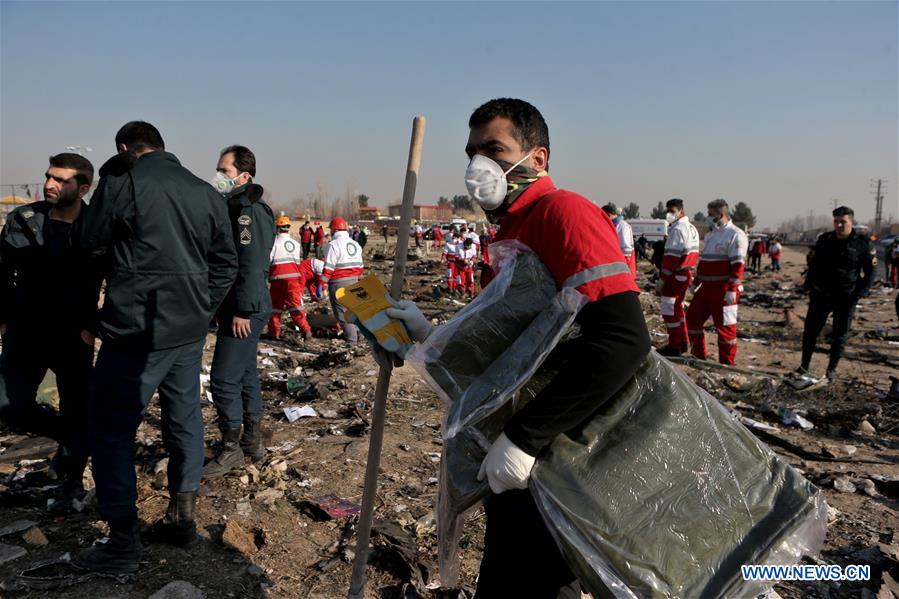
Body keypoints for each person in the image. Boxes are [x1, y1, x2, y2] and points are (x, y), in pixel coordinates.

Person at [385, 98, 649, 599]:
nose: (477, 166)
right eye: (471, 152)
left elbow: (622, 340)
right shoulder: (509, 232)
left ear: (537, 158)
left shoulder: (562, 213)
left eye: (493, 149)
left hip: (559, 444)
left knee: (530, 580)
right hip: (524, 450)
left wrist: (525, 438)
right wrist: (430, 337)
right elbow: (514, 348)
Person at [75, 122, 237, 572]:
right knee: (184, 419)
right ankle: (182, 520)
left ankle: (122, 539)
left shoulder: (121, 181)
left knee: (110, 429)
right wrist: (202, 308)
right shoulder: (204, 191)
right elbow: (226, 262)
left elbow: (88, 244)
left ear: (125, 149)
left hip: (136, 331)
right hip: (186, 330)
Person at [0, 153, 100, 512]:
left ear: (84, 188)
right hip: (24, 333)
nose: (50, 185)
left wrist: (94, 326)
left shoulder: (96, 227)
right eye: (48, 177)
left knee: (76, 404)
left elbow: (119, 280)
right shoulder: (24, 219)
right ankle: (71, 436)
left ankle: (70, 477)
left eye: (61, 179)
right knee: (9, 404)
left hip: (73, 336)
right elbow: (2, 271)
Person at [202, 146, 275, 480]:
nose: (218, 177)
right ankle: (251, 442)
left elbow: (251, 261)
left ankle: (230, 447)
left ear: (244, 176)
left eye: (225, 171)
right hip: (240, 306)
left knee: (223, 379)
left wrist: (243, 310)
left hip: (246, 307)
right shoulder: (234, 207)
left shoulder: (248, 212)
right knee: (245, 374)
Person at [795, 206, 874, 380]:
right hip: (821, 295)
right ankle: (804, 366)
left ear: (851, 222)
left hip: (846, 297)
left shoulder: (862, 243)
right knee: (810, 331)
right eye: (836, 221)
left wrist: (862, 292)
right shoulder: (825, 240)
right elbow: (814, 265)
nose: (839, 225)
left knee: (839, 335)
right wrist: (808, 285)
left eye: (843, 222)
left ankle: (831, 370)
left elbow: (871, 271)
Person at [685, 199, 748, 365]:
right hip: (706, 289)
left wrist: (732, 289)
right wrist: (695, 283)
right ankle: (699, 356)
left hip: (724, 290)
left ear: (721, 214)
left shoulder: (736, 235)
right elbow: (704, 263)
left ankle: (727, 363)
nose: (707, 218)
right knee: (692, 319)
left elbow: (738, 265)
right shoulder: (711, 235)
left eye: (710, 214)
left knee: (726, 329)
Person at [656, 199, 700, 356]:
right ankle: (683, 341)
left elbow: (671, 258)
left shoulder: (678, 230)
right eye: (667, 211)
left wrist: (663, 279)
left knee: (669, 310)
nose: (669, 214)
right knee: (678, 309)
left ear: (681, 211)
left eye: (672, 211)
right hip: (685, 273)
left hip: (675, 275)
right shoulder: (691, 227)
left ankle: (674, 345)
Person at [267, 216, 313, 340]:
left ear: (277, 228)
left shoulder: (273, 243)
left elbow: (269, 261)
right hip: (294, 279)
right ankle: (305, 329)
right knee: (296, 306)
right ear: (288, 228)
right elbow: (297, 263)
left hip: (278, 280)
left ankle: (274, 333)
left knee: (275, 308)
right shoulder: (296, 244)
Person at [320, 217, 364, 346]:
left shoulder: (333, 245)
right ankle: (358, 334)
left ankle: (352, 342)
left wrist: (322, 283)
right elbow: (360, 266)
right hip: (355, 281)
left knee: (342, 314)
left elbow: (329, 267)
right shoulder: (355, 244)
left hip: (339, 282)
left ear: (334, 230)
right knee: (353, 310)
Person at [602, 203, 636, 279]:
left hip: (623, 269)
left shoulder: (622, 226)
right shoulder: (613, 226)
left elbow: (626, 250)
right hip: (617, 268)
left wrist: (622, 269)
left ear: (608, 215)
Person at [442, 230, 462, 295]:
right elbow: (444, 253)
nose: (454, 239)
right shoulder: (448, 244)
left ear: (459, 238)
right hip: (451, 262)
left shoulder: (461, 244)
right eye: (453, 238)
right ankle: (450, 288)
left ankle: (455, 287)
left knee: (457, 275)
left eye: (456, 238)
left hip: (458, 262)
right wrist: (443, 258)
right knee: (450, 275)